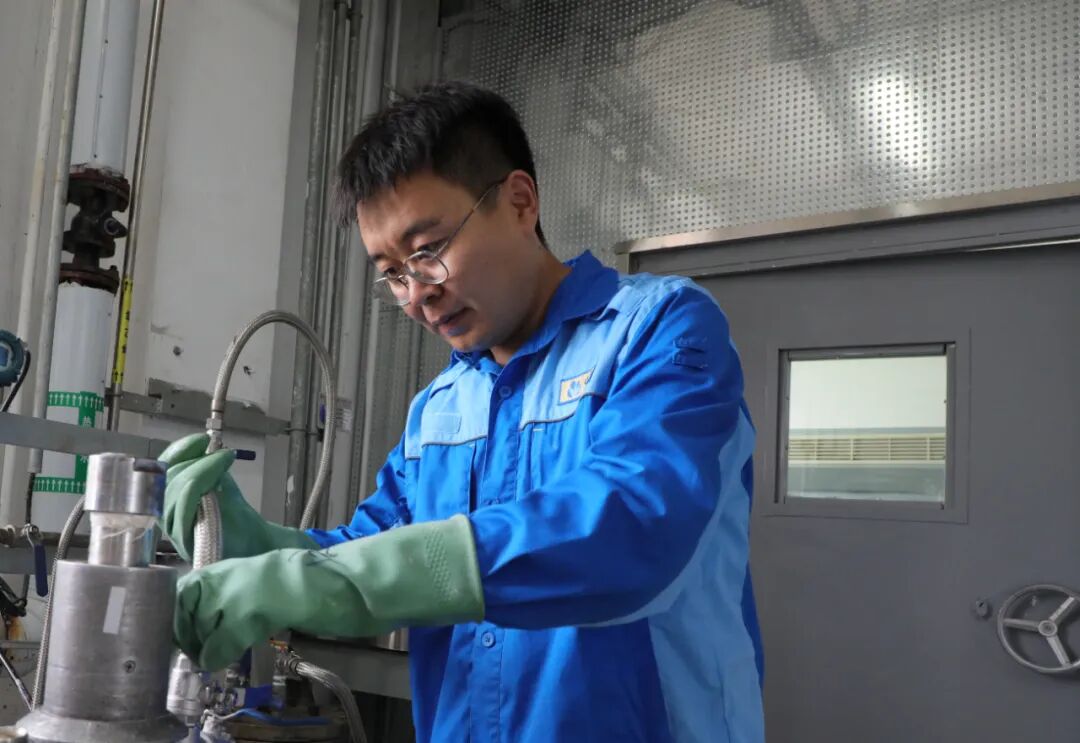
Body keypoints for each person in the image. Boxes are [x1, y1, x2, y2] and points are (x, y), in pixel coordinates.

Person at [162, 81, 764, 743]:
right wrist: (261, 548)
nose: (416, 296)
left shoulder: (657, 330)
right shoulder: (442, 407)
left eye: (427, 252)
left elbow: (629, 529)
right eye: (393, 272)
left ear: (520, 202)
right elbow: (369, 555)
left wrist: (334, 580)